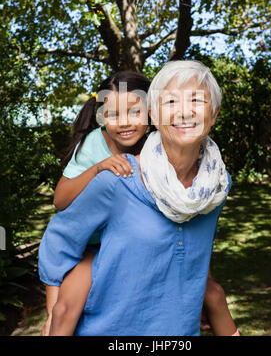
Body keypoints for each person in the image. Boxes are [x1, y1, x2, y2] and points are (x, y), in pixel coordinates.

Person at [39, 60, 239, 336]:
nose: (183, 112)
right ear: (156, 114)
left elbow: (196, 245)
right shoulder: (108, 162)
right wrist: (52, 308)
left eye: (196, 100)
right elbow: (61, 207)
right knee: (65, 308)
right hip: (90, 245)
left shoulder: (213, 182)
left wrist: (202, 289)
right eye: (171, 102)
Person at [41, 71, 152, 336]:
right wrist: (98, 169)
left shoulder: (157, 147)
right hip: (84, 247)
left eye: (135, 112)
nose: (124, 123)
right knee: (59, 316)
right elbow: (60, 200)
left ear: (151, 112)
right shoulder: (95, 143)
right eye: (113, 114)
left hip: (129, 246)